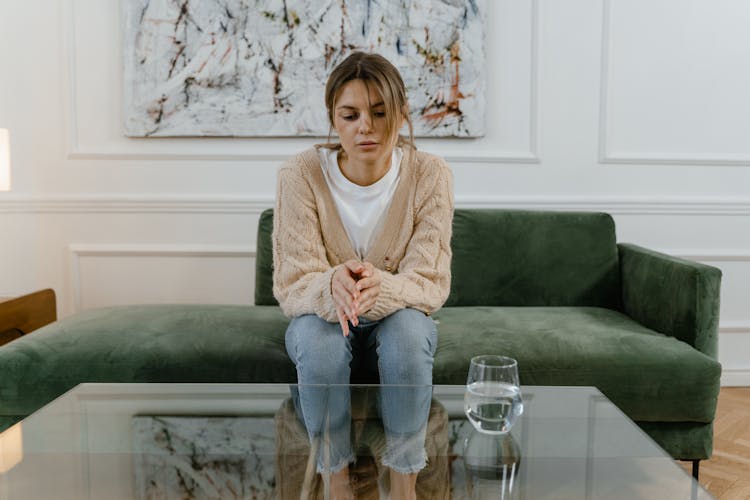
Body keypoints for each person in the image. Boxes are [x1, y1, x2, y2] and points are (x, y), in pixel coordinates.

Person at [272, 51, 454, 499]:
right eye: (350, 115)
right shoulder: (300, 174)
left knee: (411, 334)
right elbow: (293, 282)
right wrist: (329, 283)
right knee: (317, 342)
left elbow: (428, 282)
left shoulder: (430, 174)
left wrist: (381, 285)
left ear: (402, 113)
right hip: (323, 315)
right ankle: (335, 481)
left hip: (399, 314)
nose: (365, 128)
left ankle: (405, 483)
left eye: (379, 112)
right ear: (334, 118)